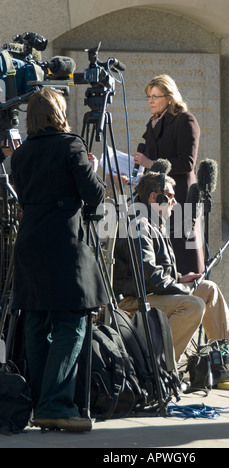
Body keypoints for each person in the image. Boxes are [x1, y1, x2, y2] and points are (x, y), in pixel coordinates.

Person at [10, 88, 107, 433]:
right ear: (58, 113)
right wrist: (93, 170)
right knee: (71, 323)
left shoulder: (20, 156)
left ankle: (41, 403)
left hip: (30, 244)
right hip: (64, 245)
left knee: (37, 323)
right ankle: (56, 405)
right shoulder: (71, 145)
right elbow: (93, 196)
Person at [113, 171, 229, 363]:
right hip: (133, 301)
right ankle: (160, 366)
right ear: (154, 197)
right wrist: (184, 290)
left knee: (208, 289)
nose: (174, 202)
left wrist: (180, 279)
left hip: (152, 293)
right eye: (170, 196)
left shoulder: (153, 222)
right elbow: (149, 277)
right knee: (192, 304)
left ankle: (223, 356)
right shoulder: (138, 225)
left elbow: (152, 272)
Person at [133, 74, 204, 275]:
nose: (151, 100)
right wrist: (136, 179)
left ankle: (194, 300)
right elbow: (150, 165)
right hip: (157, 203)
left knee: (184, 258)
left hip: (179, 198)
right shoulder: (153, 123)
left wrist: (150, 163)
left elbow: (187, 162)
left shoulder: (185, 120)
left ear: (170, 98)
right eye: (149, 96)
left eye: (156, 96)